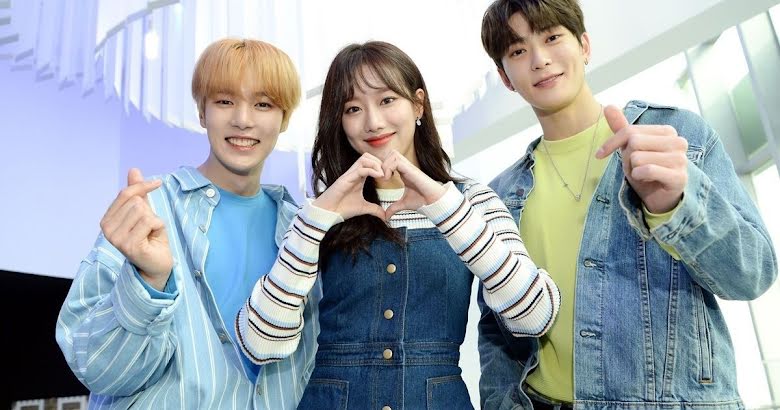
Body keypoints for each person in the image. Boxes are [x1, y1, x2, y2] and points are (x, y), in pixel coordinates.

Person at [477, 1, 779, 408]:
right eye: (518, 50)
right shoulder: (500, 195)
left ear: (584, 45)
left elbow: (752, 274)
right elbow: (496, 327)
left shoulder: (675, 137)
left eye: (552, 37)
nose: (540, 59)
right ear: (505, 78)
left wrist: (676, 204)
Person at [234, 40, 561, 409]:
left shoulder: (472, 201)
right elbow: (260, 345)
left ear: (418, 104)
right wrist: (316, 221)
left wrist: (445, 208)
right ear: (339, 122)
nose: (373, 122)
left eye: (387, 100)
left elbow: (536, 317)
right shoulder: (319, 213)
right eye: (353, 108)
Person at [55, 38, 319, 409]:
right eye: (224, 101)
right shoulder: (150, 209)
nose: (243, 119)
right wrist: (149, 283)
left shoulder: (302, 229)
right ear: (201, 112)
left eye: (263, 104)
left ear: (285, 118)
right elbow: (98, 368)